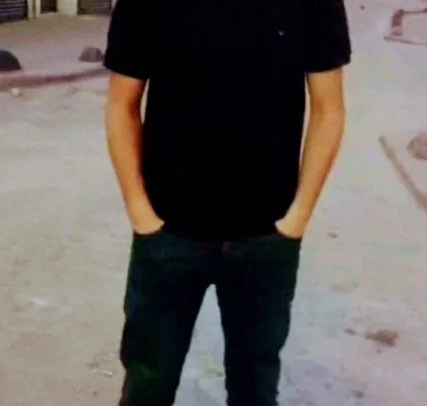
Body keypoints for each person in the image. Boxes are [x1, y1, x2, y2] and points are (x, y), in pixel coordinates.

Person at [104, 0, 351, 404]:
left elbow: (330, 110)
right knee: (148, 384)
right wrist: (140, 211)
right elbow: (121, 103)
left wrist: (298, 217)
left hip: (266, 239)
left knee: (255, 388)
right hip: (168, 235)